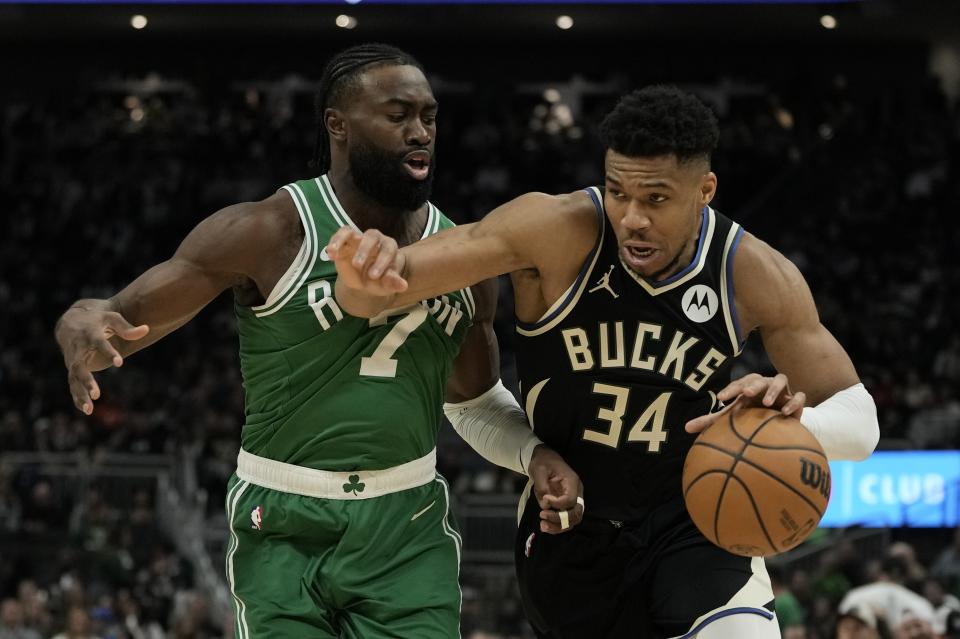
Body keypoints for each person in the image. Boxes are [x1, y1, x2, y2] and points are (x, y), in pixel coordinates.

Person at [54, 43, 582, 639]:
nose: (420, 133)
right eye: (397, 115)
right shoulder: (270, 231)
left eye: (429, 117)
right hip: (283, 516)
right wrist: (78, 318)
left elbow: (476, 405)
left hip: (404, 522)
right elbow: (119, 314)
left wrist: (533, 455)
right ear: (337, 124)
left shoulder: (464, 255)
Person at [328, 85, 880, 638]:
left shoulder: (754, 274)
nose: (632, 218)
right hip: (571, 527)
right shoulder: (555, 231)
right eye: (618, 192)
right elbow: (380, 290)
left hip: (694, 519)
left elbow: (861, 425)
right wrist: (365, 275)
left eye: (657, 200)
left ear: (704, 190)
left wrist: (783, 420)